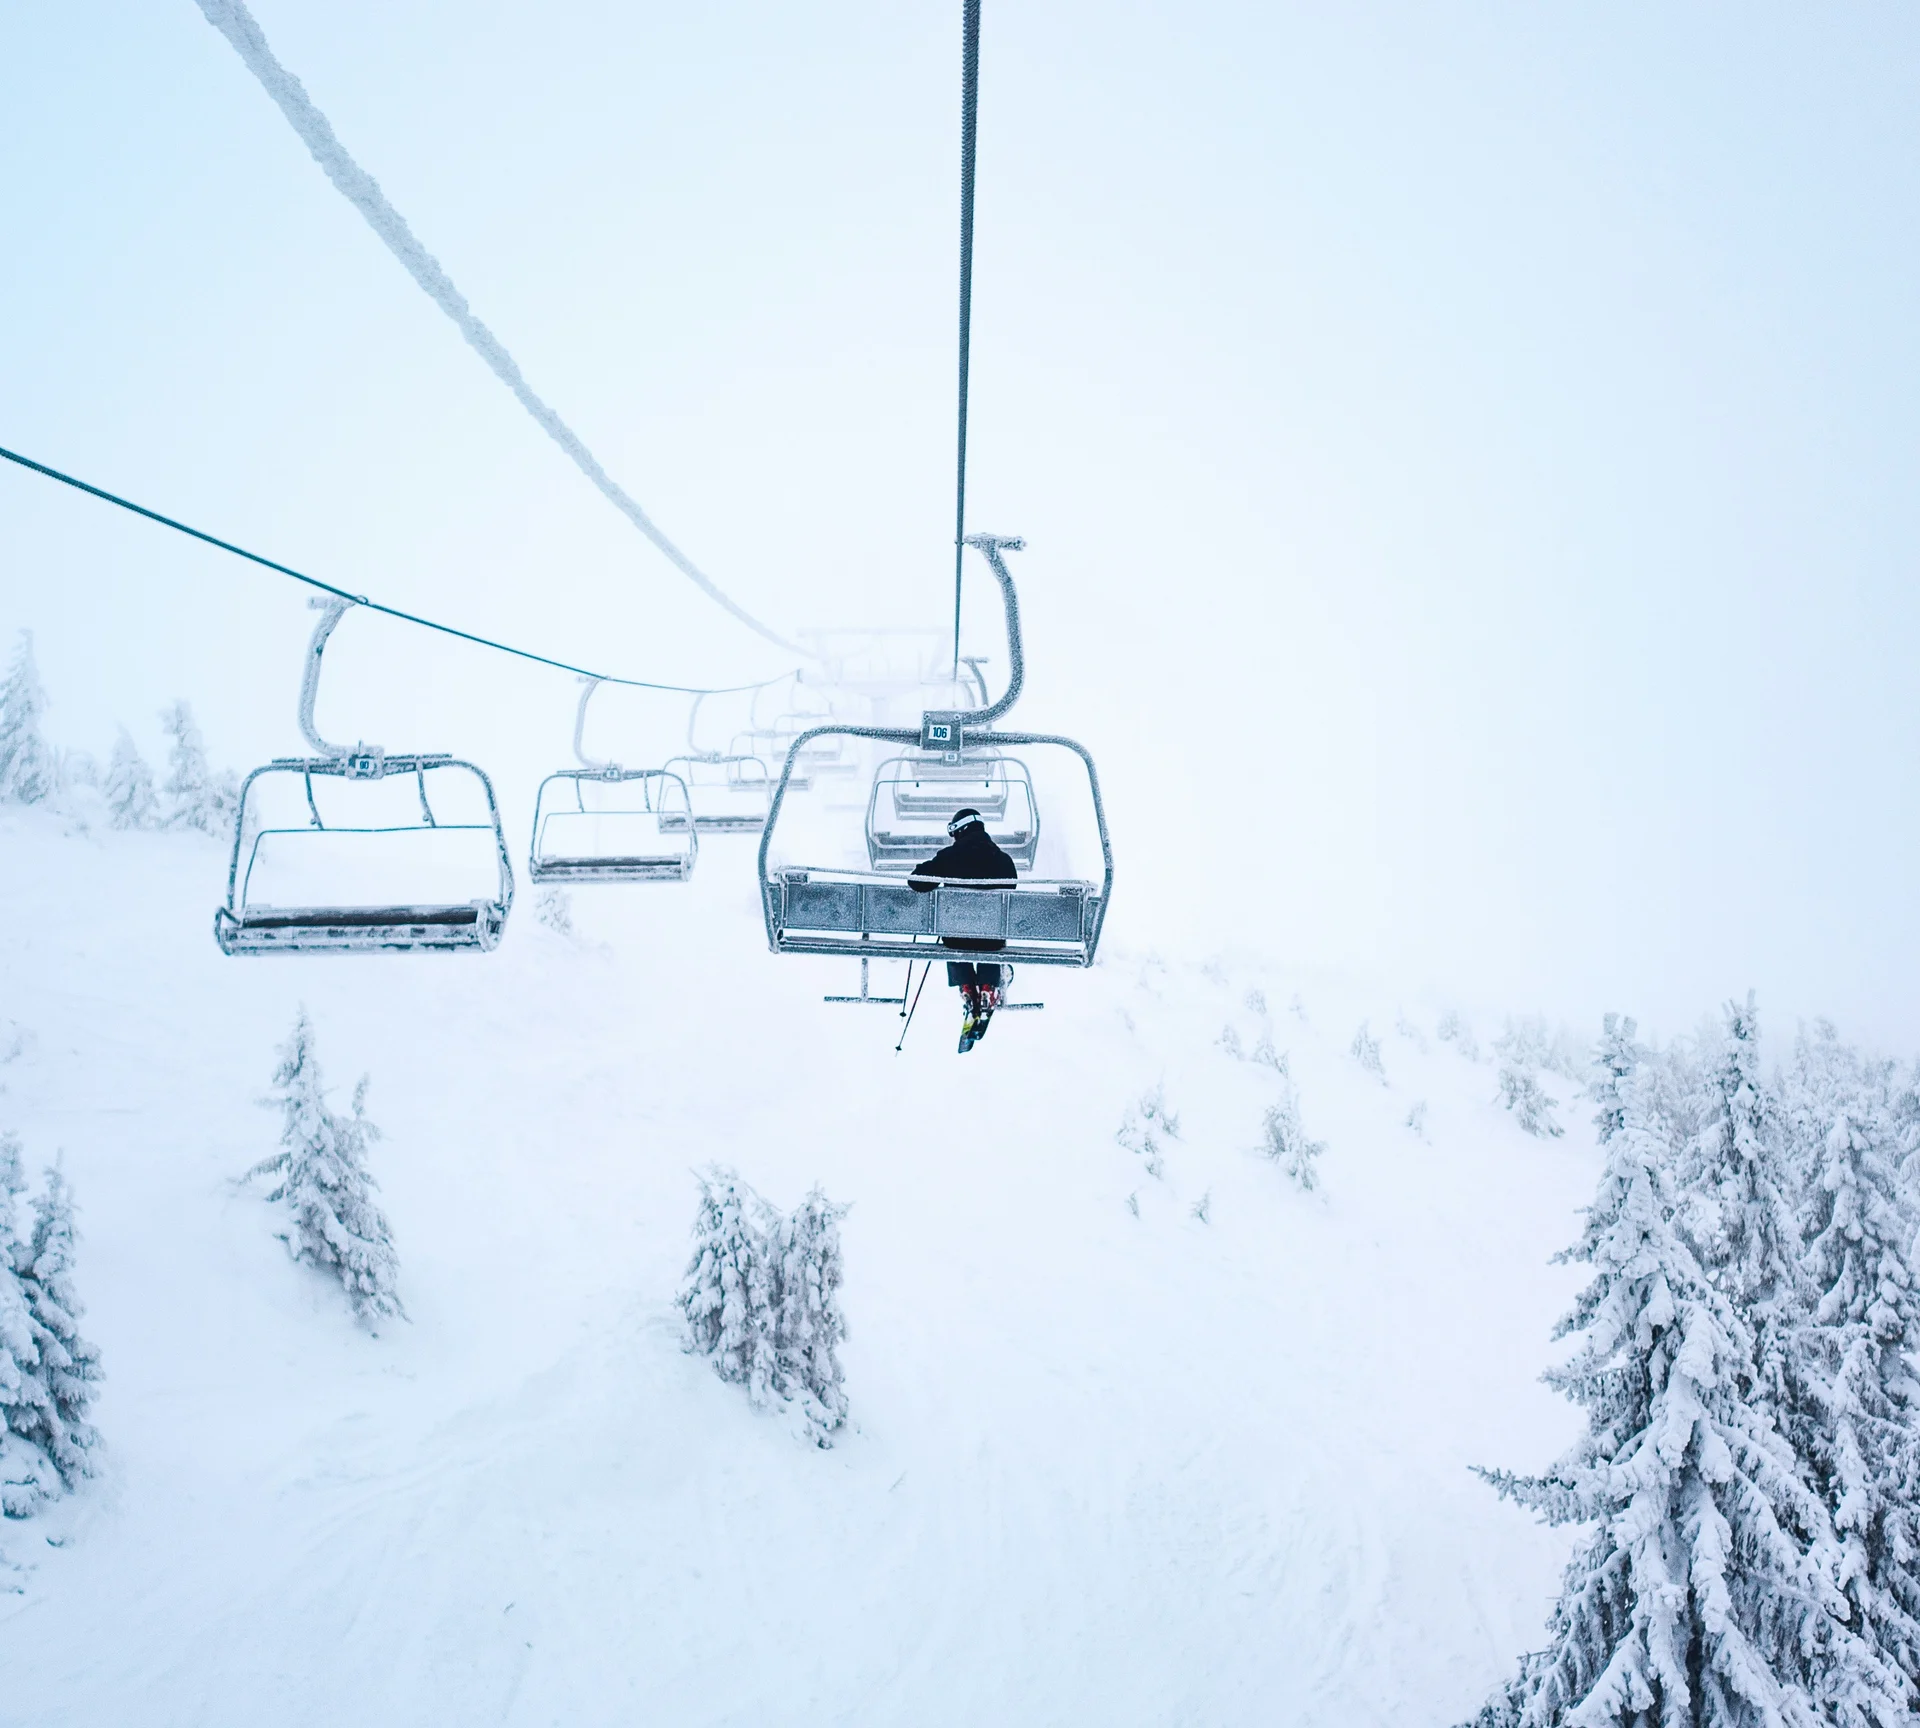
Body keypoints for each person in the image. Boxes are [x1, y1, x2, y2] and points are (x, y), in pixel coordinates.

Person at [910, 807, 1016, 1051]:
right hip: (991, 940)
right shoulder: (1004, 860)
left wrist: (925, 867)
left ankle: (968, 988)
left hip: (957, 938)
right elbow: (1011, 890)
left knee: (954, 937)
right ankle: (988, 988)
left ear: (960, 831)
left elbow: (916, 882)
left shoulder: (949, 857)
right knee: (992, 936)